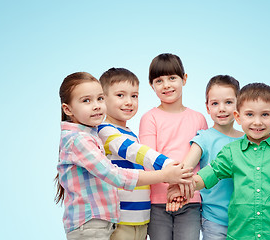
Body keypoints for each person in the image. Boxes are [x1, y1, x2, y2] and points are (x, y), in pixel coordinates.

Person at [54, 72, 193, 240]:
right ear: (67, 109)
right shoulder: (100, 132)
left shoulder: (118, 133)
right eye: (87, 100)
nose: (129, 102)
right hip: (113, 220)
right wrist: (168, 170)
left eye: (99, 99)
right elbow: (130, 158)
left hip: (135, 219)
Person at [168, 82, 270, 240]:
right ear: (238, 117)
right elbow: (209, 174)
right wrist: (183, 187)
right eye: (249, 114)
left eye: (265, 114)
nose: (257, 122)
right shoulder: (231, 152)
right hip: (238, 236)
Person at [98, 67, 188, 240]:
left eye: (134, 96)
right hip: (120, 220)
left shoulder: (130, 133)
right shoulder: (105, 131)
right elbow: (136, 152)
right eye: (120, 95)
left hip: (141, 220)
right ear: (102, 99)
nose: (129, 101)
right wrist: (168, 166)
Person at [139, 53, 208, 240]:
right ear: (151, 86)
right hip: (157, 203)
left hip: (190, 200)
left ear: (184, 79)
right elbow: (147, 159)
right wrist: (172, 183)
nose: (167, 85)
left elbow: (203, 160)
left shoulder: (198, 119)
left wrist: (182, 189)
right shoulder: (149, 118)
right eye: (159, 80)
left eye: (172, 78)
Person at [169, 75, 243, 240]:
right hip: (213, 218)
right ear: (207, 107)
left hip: (244, 220)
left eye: (229, 102)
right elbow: (185, 169)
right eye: (215, 103)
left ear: (240, 105)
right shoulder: (204, 138)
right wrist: (177, 190)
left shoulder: (247, 141)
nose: (221, 108)